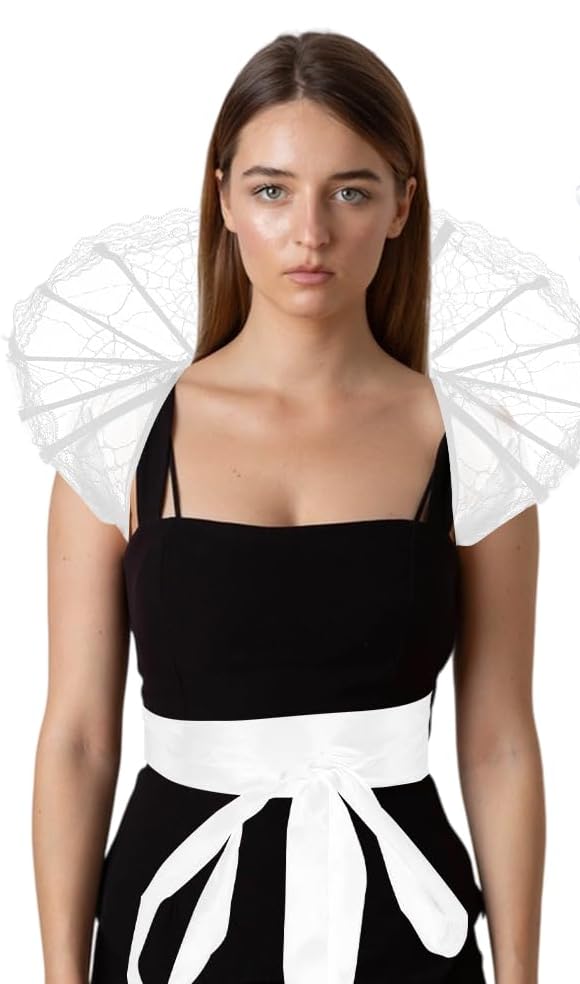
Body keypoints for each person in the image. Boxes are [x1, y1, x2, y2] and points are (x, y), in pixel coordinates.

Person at [32, 31, 547, 984]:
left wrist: (520, 975)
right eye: (273, 190)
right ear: (225, 199)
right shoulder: (120, 439)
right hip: (172, 928)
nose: (311, 233)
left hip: (405, 924)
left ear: (401, 206)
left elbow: (500, 741)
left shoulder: (474, 442)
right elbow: (78, 740)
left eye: (350, 192)